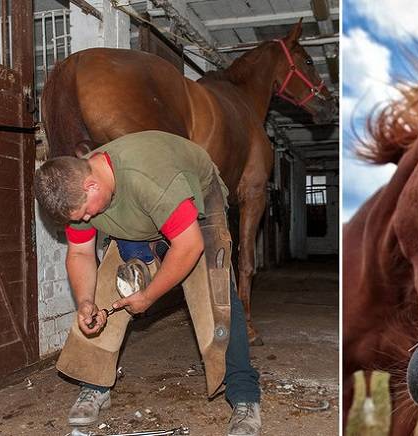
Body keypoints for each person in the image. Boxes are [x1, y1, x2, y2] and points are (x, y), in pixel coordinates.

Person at [34, 130, 261, 436]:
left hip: (196, 201)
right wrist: (86, 301)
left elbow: (189, 245)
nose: (86, 220)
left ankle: (245, 396)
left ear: (91, 185)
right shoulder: (77, 189)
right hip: (138, 215)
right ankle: (95, 385)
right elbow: (80, 253)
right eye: (80, 217)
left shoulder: (148, 178)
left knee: (215, 290)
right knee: (109, 285)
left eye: (86, 213)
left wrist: (150, 296)